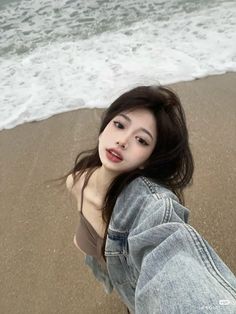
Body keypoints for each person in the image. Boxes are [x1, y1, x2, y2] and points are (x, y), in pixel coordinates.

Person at [61, 86, 236, 313]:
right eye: (119, 125)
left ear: (147, 160)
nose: (123, 141)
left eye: (142, 140)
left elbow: (170, 253)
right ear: (104, 127)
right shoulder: (76, 181)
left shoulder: (150, 205)